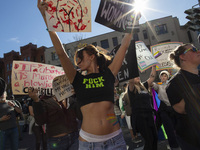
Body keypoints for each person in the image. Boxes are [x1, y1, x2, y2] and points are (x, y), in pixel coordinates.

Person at [37, 0, 133, 149]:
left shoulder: (109, 74)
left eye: (80, 57)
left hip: (116, 140)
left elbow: (125, 43)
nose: (78, 62)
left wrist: (132, 18)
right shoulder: (77, 79)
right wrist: (46, 18)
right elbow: (61, 53)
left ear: (92, 56)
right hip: (90, 143)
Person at [166, 43, 200, 150]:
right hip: (193, 140)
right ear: (182, 56)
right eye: (193, 49)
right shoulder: (174, 84)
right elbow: (183, 110)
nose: (198, 51)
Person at [128, 66, 158, 150]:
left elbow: (152, 77)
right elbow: (130, 81)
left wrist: (153, 66)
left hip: (149, 115)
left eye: (138, 75)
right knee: (149, 140)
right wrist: (131, 65)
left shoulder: (144, 86)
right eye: (135, 76)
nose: (137, 76)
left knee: (155, 138)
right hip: (140, 118)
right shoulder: (132, 88)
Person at [152, 70, 180, 150]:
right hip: (163, 109)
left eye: (165, 76)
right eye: (162, 76)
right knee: (169, 128)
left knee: (176, 126)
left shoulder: (171, 84)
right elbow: (151, 83)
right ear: (160, 77)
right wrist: (153, 68)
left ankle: (179, 142)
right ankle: (174, 146)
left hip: (173, 107)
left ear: (167, 77)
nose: (163, 77)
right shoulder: (158, 86)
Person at [0, 78, 22, 150]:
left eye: (4, 93)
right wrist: (1, 119)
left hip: (14, 129)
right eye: (1, 94)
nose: (2, 95)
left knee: (15, 147)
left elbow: (20, 111)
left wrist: (14, 106)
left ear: (6, 94)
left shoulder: (12, 102)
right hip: (2, 131)